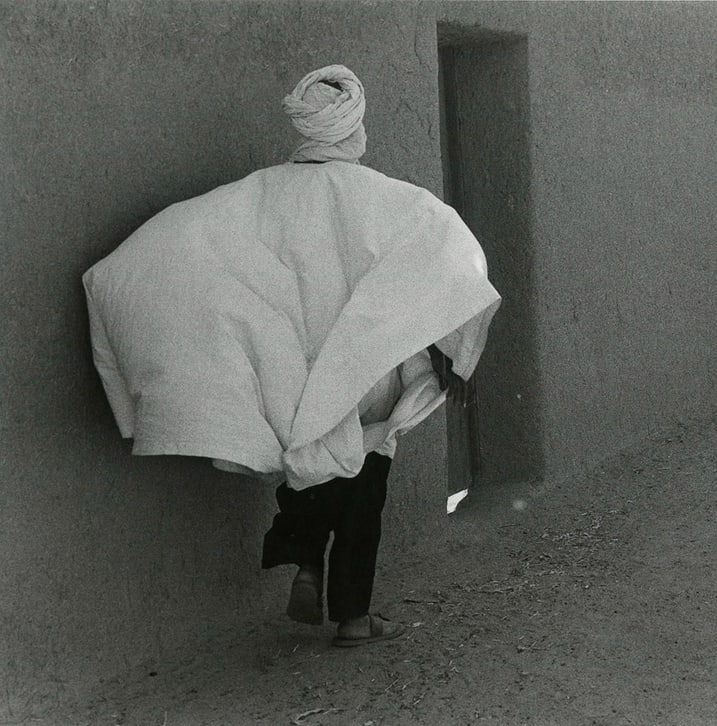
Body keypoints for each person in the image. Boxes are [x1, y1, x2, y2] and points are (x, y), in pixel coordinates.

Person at [82, 65, 501, 647]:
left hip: (293, 369)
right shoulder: (397, 202)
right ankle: (353, 616)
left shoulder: (255, 195)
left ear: (304, 125)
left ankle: (305, 556)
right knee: (365, 478)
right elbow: (442, 272)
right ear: (353, 127)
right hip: (365, 370)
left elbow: (178, 245)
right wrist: (452, 356)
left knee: (306, 455)